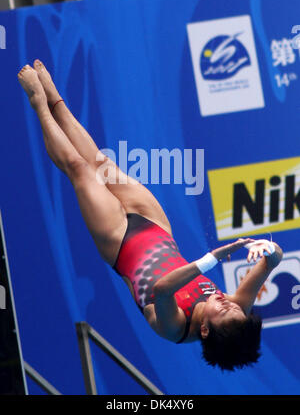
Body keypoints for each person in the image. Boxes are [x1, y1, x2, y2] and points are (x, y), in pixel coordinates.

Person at [17, 61, 283, 371]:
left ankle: (38, 102)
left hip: (119, 243)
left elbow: (162, 290)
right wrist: (269, 250)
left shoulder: (174, 328)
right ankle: (55, 97)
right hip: (156, 227)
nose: (229, 303)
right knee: (100, 162)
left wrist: (212, 258)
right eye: (236, 309)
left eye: (224, 312)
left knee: (79, 169)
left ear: (206, 331)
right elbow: (273, 260)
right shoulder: (235, 310)